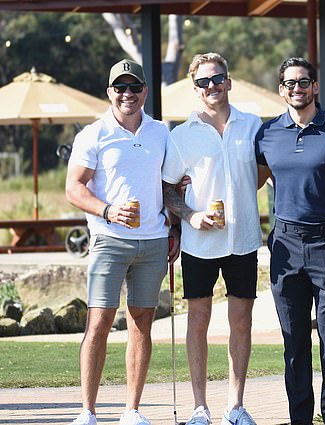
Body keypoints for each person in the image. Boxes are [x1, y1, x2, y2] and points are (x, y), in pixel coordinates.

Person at [255, 57, 325, 425]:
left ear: (315, 86)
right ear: (281, 90)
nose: (297, 88)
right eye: (289, 83)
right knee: (294, 342)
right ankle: (299, 419)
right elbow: (252, 182)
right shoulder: (267, 134)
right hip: (285, 246)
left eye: (304, 82)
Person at [66, 59, 177, 425]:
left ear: (145, 90)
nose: (127, 94)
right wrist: (108, 211)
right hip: (109, 240)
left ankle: (132, 410)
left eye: (134, 87)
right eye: (120, 88)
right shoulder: (93, 134)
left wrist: (174, 225)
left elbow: (170, 184)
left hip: (153, 241)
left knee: (142, 323)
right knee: (98, 322)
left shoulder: (161, 132)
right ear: (109, 91)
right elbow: (74, 188)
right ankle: (88, 411)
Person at [161, 52, 261, 425]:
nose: (211, 86)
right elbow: (168, 189)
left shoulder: (252, 125)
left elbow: (263, 171)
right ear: (195, 88)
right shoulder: (181, 135)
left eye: (217, 78)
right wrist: (190, 215)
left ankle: (235, 406)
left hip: (244, 240)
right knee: (198, 320)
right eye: (203, 82)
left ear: (229, 80)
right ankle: (200, 408)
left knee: (241, 321)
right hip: (199, 244)